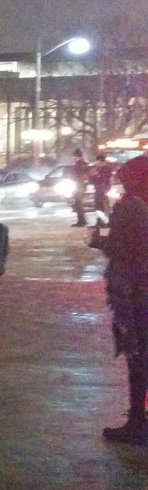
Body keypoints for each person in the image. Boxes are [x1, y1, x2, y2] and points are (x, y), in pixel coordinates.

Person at [87, 154, 148, 445]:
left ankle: (137, 421)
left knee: (137, 355)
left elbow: (121, 249)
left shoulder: (129, 208)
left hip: (134, 292)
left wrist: (98, 240)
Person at [69, 149, 90, 227]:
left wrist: (80, 184)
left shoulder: (80, 165)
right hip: (79, 186)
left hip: (79, 186)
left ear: (78, 157)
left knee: (78, 204)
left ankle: (82, 221)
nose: (73, 158)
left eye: (74, 156)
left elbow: (82, 176)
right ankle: (81, 220)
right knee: (77, 204)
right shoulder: (81, 164)